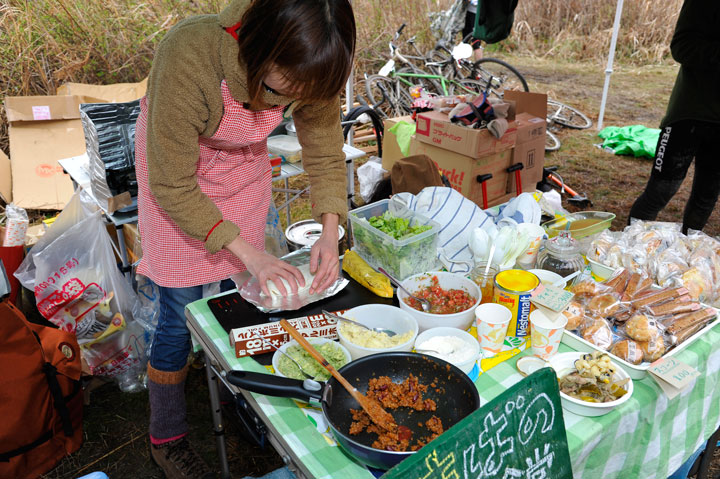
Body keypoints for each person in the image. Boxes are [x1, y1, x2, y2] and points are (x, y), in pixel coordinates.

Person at [134, 0, 356, 477]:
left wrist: (331, 230)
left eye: (291, 101)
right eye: (274, 91)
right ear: (252, 49)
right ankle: (166, 436)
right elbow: (171, 182)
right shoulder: (190, 54)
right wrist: (249, 254)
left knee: (242, 302)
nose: (279, 107)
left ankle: (239, 394)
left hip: (240, 172)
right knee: (179, 316)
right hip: (177, 179)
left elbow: (324, 151)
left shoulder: (316, 60)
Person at [628, 0, 720, 234]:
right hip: (690, 114)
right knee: (660, 191)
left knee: (706, 196)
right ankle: (629, 251)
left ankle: (687, 256)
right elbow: (682, 46)